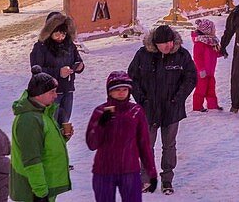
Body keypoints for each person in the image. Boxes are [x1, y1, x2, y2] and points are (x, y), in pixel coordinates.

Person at [127, 24, 197, 195]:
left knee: (169, 146)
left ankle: (167, 180)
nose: (168, 46)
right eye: (164, 44)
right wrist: (142, 100)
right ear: (155, 44)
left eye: (170, 42)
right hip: (148, 110)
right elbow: (131, 77)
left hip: (171, 110)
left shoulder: (182, 55)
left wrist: (178, 99)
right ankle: (145, 180)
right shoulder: (142, 55)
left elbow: (191, 78)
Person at [86, 71, 158, 201]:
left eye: (125, 89)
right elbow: (92, 144)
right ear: (109, 91)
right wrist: (101, 124)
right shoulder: (100, 112)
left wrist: (151, 172)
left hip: (129, 170)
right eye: (117, 89)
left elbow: (144, 145)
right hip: (104, 171)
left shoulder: (136, 112)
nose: (121, 93)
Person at [10, 66, 71, 202]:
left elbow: (42, 145)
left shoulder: (41, 113)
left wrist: (62, 137)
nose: (56, 96)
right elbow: (31, 159)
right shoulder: (29, 120)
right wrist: (40, 193)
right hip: (33, 192)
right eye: (52, 92)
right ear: (39, 93)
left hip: (43, 185)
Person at [29, 12, 85, 140]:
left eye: (64, 34)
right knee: (50, 125)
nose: (61, 37)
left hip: (68, 90)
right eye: (57, 33)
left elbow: (77, 60)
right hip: (50, 93)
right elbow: (36, 71)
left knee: (64, 124)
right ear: (49, 32)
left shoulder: (69, 45)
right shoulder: (40, 48)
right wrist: (58, 72)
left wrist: (79, 66)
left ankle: (61, 146)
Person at [190, 18, 222, 112]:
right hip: (202, 73)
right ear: (207, 31)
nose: (215, 31)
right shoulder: (199, 43)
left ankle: (212, 105)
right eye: (213, 29)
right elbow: (197, 57)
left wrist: (221, 52)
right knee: (201, 89)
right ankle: (197, 106)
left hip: (211, 72)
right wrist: (201, 69)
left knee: (211, 89)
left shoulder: (212, 42)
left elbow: (215, 54)